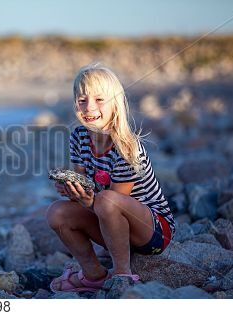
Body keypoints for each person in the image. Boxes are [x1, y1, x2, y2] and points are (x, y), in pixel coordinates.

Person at [47, 63, 175, 293]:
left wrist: (88, 201)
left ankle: (123, 274)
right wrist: (73, 191)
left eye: (99, 100)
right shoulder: (79, 137)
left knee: (107, 200)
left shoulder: (127, 147)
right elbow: (85, 187)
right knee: (57, 212)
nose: (89, 107)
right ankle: (93, 274)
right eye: (82, 100)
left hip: (153, 231)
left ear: (115, 102)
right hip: (112, 226)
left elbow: (113, 202)